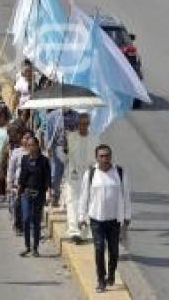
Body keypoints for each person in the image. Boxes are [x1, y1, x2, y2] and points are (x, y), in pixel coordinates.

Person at [78, 144, 131, 292]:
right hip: (96, 220)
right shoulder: (90, 174)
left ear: (110, 157)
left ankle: (111, 274)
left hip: (114, 220)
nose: (104, 159)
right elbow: (84, 196)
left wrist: (127, 216)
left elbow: (126, 195)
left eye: (107, 156)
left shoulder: (119, 172)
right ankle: (101, 279)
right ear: (96, 158)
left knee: (114, 251)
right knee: (99, 248)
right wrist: (81, 217)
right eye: (101, 156)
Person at [65, 113, 98, 243]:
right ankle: (74, 231)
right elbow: (64, 155)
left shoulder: (95, 138)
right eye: (81, 124)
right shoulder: (70, 137)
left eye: (85, 124)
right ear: (77, 125)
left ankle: (86, 230)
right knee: (72, 201)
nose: (83, 127)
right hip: (74, 176)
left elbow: (97, 157)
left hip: (89, 175)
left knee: (88, 202)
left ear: (88, 124)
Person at [18, 135, 51, 257]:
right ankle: (27, 246)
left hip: (39, 194)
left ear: (38, 146)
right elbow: (22, 176)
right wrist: (19, 189)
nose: (31, 148)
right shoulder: (25, 159)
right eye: (29, 145)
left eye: (33, 145)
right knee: (26, 219)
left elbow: (47, 178)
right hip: (26, 193)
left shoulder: (44, 161)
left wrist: (49, 192)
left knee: (36, 221)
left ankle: (35, 247)